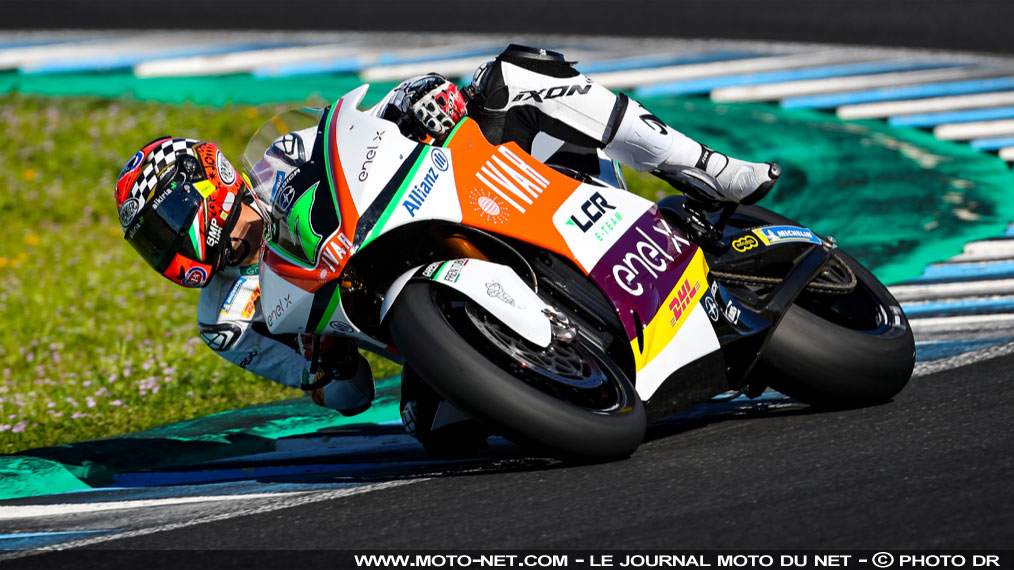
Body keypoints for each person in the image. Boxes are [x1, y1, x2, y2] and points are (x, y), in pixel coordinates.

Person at [114, 44, 779, 452]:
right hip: (417, 321)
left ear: (209, 175)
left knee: (516, 72)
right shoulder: (223, 321)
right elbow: (344, 395)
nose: (168, 244)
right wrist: (320, 364)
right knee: (440, 435)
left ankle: (706, 167)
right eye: (152, 242)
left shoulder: (280, 157)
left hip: (459, 198)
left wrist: (422, 101)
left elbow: (366, 130)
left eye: (167, 218)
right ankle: (566, 361)